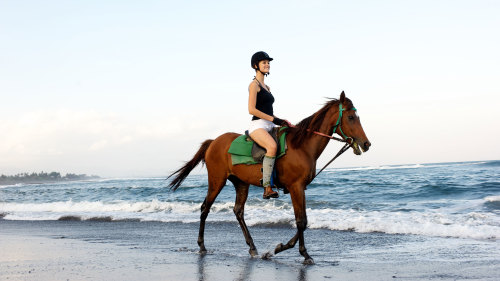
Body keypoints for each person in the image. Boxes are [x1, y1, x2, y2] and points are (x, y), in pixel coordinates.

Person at [247, 51, 291, 199]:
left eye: (268, 62)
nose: (267, 65)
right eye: (264, 62)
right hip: (258, 125)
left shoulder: (267, 87)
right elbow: (251, 110)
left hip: (269, 124)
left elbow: (269, 112)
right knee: (272, 146)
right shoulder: (254, 85)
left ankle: (283, 181)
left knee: (288, 139)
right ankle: (267, 188)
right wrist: (274, 120)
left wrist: (281, 120)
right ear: (255, 66)